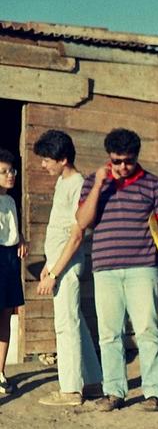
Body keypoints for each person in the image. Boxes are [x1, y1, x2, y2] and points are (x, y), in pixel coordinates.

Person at [76, 128, 158, 412]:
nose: (122, 167)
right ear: (109, 158)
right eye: (117, 161)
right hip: (105, 269)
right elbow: (83, 222)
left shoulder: (154, 185)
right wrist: (98, 185)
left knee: (148, 331)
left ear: (137, 157)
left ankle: (155, 392)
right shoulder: (93, 183)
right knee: (109, 333)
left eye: (128, 161)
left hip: (143, 268)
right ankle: (114, 392)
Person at [32, 130, 102, 406]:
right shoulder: (63, 182)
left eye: (47, 159)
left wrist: (54, 272)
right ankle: (94, 382)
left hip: (67, 265)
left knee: (66, 325)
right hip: (58, 262)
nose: (43, 164)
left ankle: (71, 390)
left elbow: (76, 235)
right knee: (77, 322)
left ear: (63, 159)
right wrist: (48, 265)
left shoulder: (78, 184)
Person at [0, 148, 27, 396]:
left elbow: (11, 232)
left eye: (12, 170)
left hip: (9, 261)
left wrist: (21, 239)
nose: (11, 175)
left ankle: (0, 372)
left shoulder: (10, 200)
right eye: (4, 171)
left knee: (6, 317)